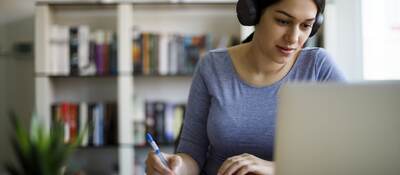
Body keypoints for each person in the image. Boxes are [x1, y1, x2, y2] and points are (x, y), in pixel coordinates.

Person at [146, 0, 346, 174]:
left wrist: (275, 168)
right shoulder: (212, 66)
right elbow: (192, 155)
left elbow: (350, 150)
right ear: (253, 13)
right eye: (283, 21)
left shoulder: (318, 67)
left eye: (306, 25)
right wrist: (174, 166)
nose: (294, 38)